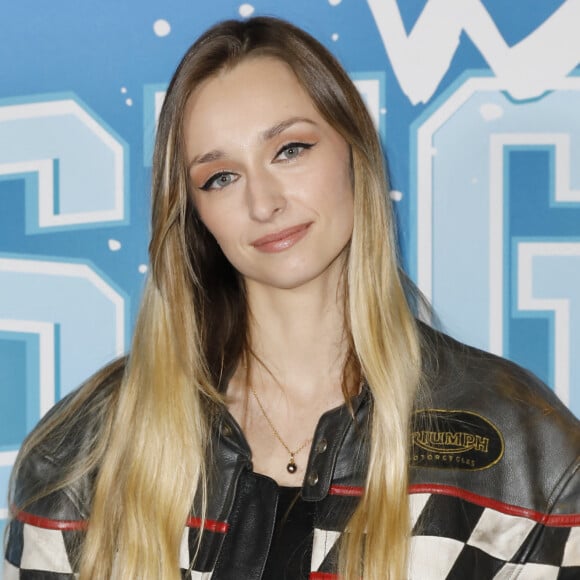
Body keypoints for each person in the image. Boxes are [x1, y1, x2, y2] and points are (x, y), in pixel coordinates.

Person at [4, 16, 580, 580]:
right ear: (195, 215)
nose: (263, 202)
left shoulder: (526, 450)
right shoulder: (85, 453)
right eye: (220, 177)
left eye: (290, 149)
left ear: (354, 152)